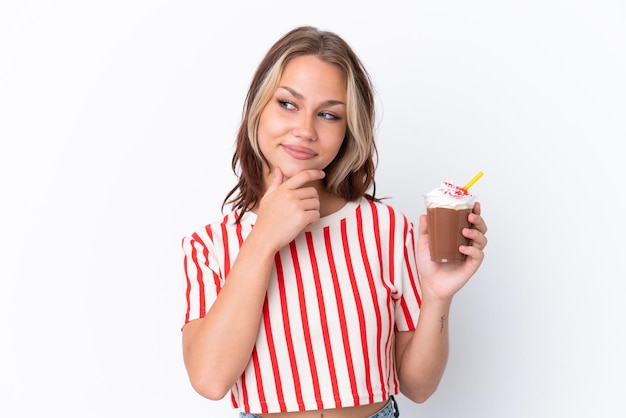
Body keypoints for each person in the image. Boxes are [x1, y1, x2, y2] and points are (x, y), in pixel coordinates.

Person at [180, 25, 488, 418]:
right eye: (288, 104)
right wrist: (263, 239)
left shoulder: (386, 228)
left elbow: (418, 387)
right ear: (258, 107)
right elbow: (209, 380)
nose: (305, 130)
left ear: (348, 131)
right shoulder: (210, 246)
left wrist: (438, 295)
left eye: (328, 114)